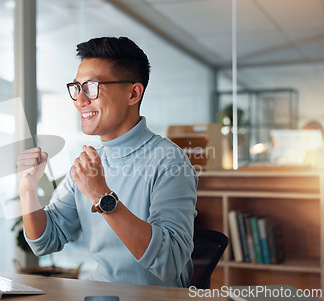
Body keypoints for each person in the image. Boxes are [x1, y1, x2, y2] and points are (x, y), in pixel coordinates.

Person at [17, 37, 197, 287]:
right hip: (100, 292)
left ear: (133, 93)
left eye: (91, 87)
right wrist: (27, 189)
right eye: (77, 87)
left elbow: (170, 263)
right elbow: (46, 240)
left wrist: (102, 196)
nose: (79, 100)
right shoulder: (89, 164)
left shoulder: (169, 161)